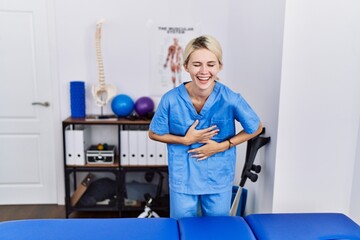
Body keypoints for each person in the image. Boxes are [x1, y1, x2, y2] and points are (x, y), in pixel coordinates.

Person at [149, 35, 262, 219]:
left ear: (219, 66)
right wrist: (186, 140)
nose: (204, 71)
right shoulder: (171, 99)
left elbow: (255, 127)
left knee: (216, 231)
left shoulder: (229, 98)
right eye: (196, 64)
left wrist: (222, 146)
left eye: (211, 64)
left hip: (217, 176)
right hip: (183, 177)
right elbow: (154, 133)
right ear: (186, 66)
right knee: (182, 228)